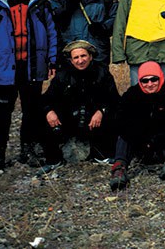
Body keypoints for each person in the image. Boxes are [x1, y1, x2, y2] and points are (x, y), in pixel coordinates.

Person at [0, 0, 58, 174]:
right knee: (2, 113)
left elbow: (52, 32)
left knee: (31, 111)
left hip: (33, 67)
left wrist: (52, 61)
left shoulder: (40, 3)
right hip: (5, 68)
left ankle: (28, 149)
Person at [109, 61, 165, 190]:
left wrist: (158, 138)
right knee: (123, 135)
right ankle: (119, 168)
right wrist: (142, 138)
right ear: (140, 81)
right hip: (141, 143)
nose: (149, 84)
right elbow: (121, 120)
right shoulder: (131, 95)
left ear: (160, 77)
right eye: (145, 81)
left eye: (154, 79)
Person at [40, 40, 120, 168]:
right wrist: (49, 111)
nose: (80, 60)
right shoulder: (62, 75)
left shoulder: (102, 73)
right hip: (69, 119)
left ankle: (102, 155)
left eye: (83, 56)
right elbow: (46, 99)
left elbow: (114, 99)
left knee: (116, 115)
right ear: (71, 60)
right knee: (44, 117)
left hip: (94, 120)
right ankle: (54, 160)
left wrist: (101, 111)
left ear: (90, 56)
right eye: (76, 57)